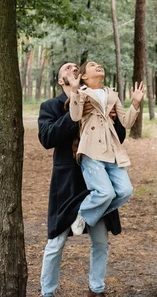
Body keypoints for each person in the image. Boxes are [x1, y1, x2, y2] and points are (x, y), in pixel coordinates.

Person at [38, 62, 126, 297]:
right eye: (67, 69)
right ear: (60, 80)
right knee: (55, 243)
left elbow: (119, 138)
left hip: (97, 183)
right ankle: (47, 294)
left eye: (76, 67)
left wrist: (114, 120)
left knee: (100, 241)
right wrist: (72, 115)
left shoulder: (97, 98)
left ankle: (96, 290)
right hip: (67, 182)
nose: (73, 69)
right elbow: (46, 138)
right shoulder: (50, 106)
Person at [68, 61, 145, 236]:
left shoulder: (112, 94)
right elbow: (75, 116)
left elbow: (126, 122)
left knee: (125, 191)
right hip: (91, 149)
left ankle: (86, 214)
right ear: (84, 76)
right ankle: (83, 215)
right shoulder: (81, 93)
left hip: (112, 150)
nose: (98, 66)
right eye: (93, 65)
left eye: (100, 65)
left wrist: (135, 103)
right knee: (105, 193)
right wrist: (74, 91)